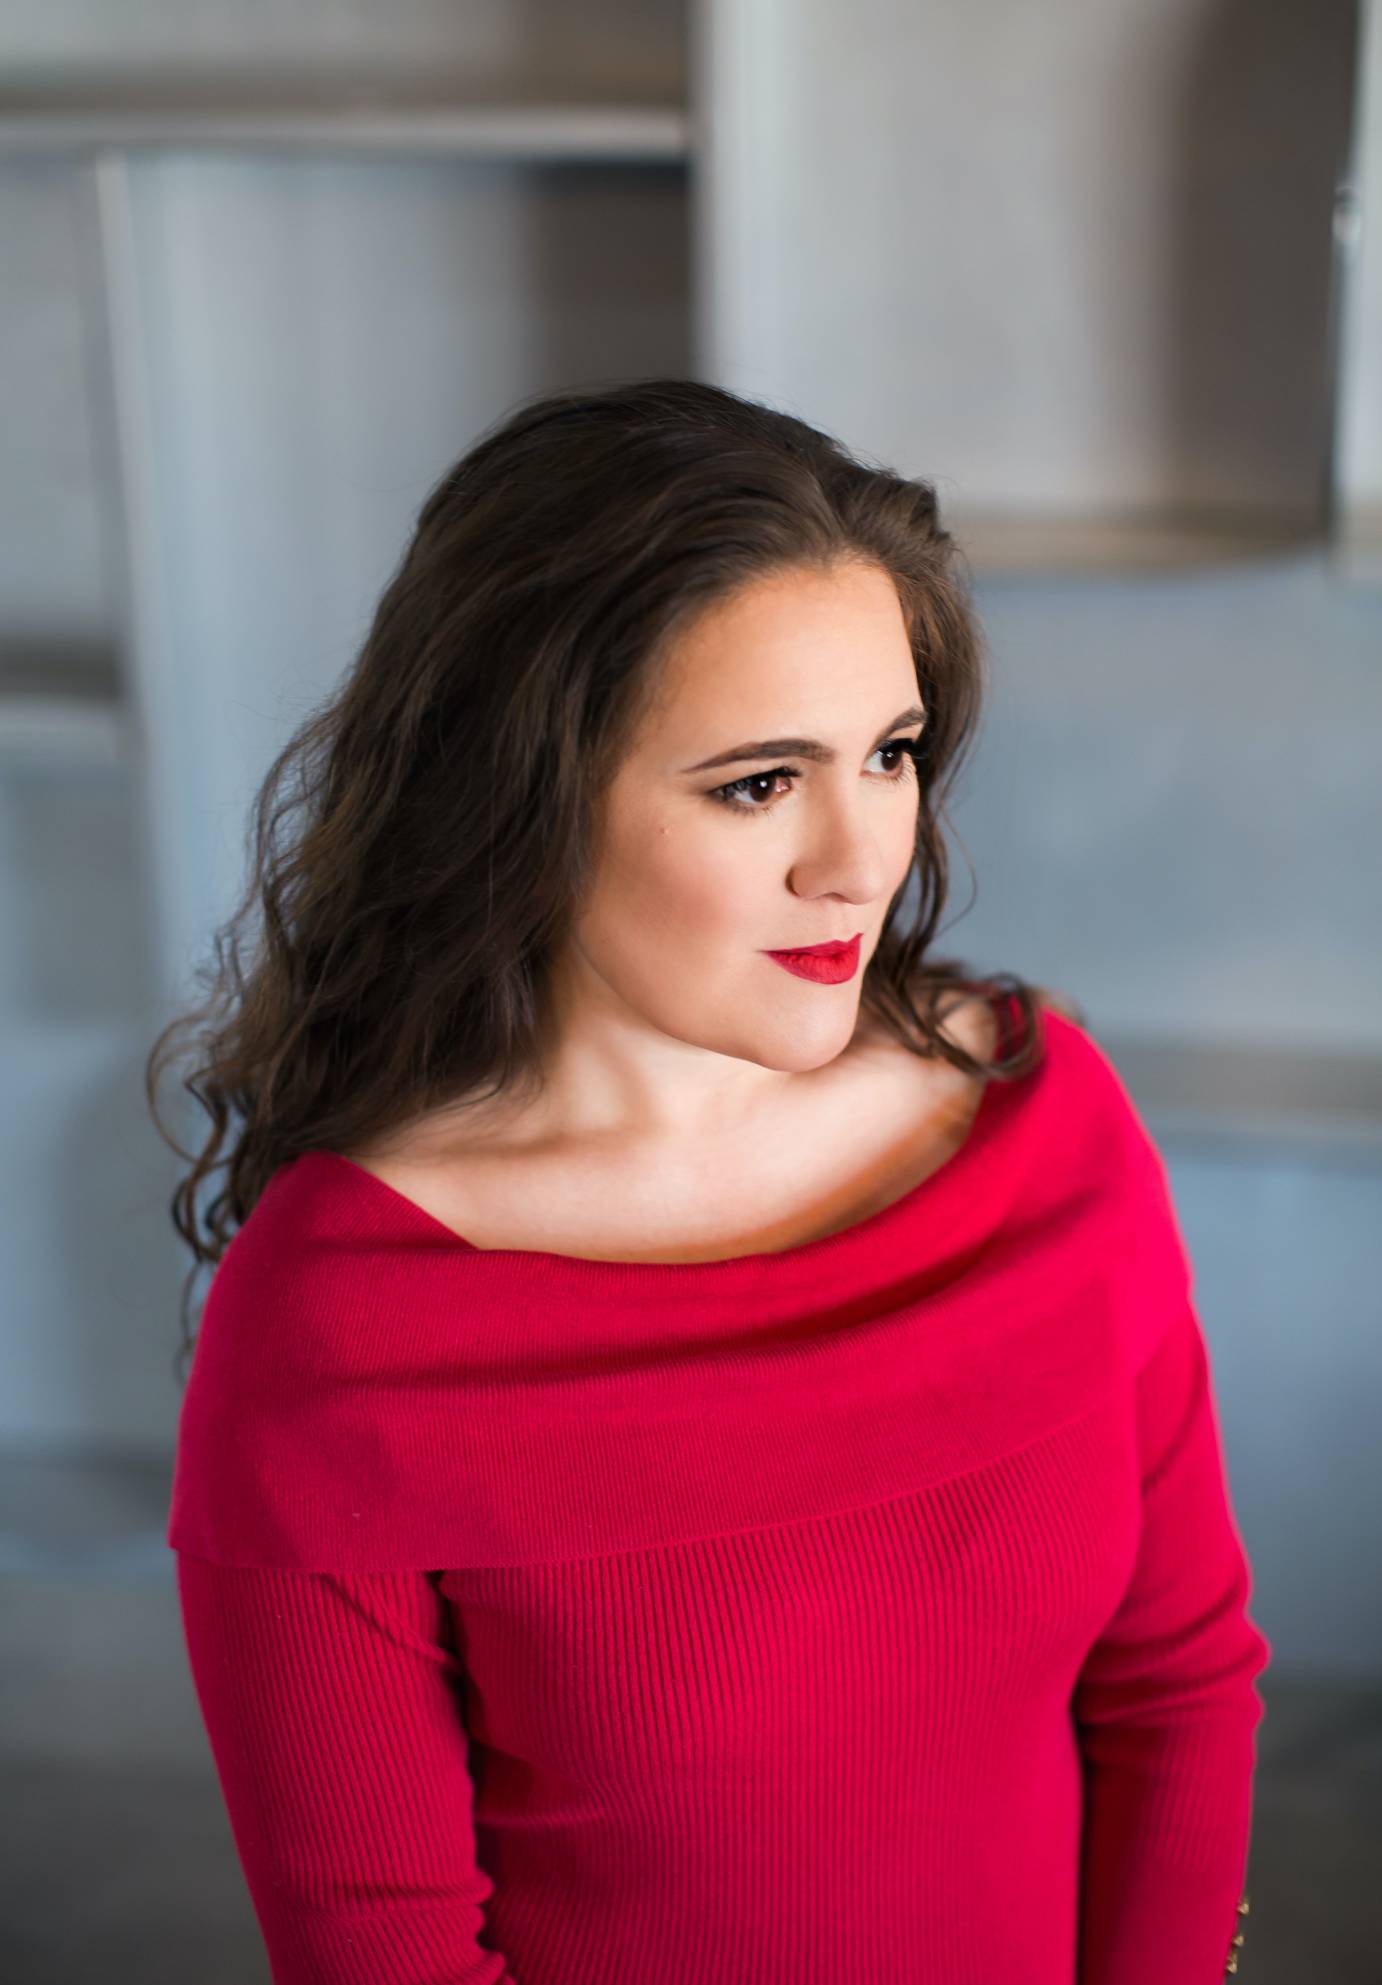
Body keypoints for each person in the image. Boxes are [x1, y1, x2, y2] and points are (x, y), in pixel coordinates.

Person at [150, 376, 1268, 1984]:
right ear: (522, 801)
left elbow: (1173, 1681)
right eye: (757, 783)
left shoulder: (1044, 1123)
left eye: (886, 754)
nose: (858, 858)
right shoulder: (338, 1329)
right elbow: (384, 1948)